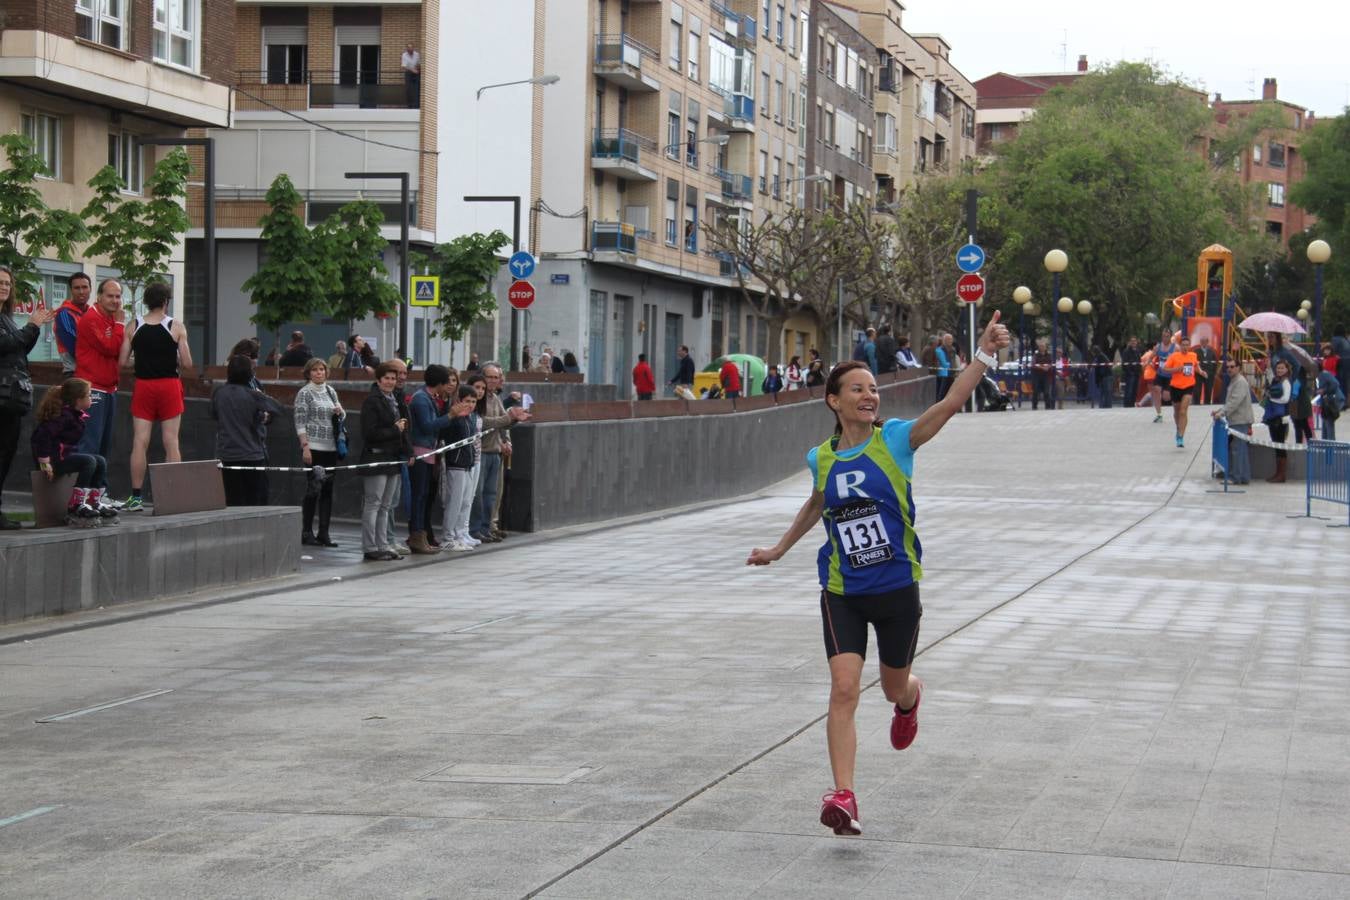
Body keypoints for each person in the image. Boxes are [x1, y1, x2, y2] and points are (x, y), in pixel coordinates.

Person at [746, 311, 1011, 837]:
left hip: (896, 590)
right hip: (842, 591)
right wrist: (778, 549)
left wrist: (982, 354)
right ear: (834, 400)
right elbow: (817, 504)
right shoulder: (821, 457)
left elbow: (951, 403)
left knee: (891, 687)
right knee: (844, 689)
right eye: (858, 389)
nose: (870, 395)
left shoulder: (896, 442)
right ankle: (843, 796)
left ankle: (911, 698)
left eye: (873, 389)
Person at [118, 281, 192, 511]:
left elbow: (122, 362)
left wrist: (142, 360)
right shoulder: (176, 326)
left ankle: (137, 497)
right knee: (171, 441)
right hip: (169, 385)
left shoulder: (133, 326)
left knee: (140, 441)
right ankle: (174, 495)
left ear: (147, 301)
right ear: (166, 302)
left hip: (143, 386)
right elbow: (188, 364)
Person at [0, 266, 57, 528]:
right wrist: (31, 325)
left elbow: (19, 349)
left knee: (6, 454)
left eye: (7, 284)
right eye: (0, 283)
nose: (4, 287)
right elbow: (6, 345)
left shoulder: (7, 318)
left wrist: (33, 328)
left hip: (11, 397)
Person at [72, 278, 125, 510]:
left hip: (109, 388)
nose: (115, 300)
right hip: (92, 389)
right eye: (110, 296)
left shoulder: (110, 318)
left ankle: (97, 496)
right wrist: (122, 326)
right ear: (100, 297)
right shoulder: (91, 318)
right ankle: (79, 498)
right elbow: (110, 347)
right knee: (90, 445)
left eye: (118, 296)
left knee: (103, 447)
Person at [31, 378, 116, 524]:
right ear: (78, 400)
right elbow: (41, 437)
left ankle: (94, 501)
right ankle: (76, 505)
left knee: (100, 460)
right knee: (88, 462)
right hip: (54, 461)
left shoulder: (74, 416)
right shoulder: (62, 417)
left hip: (64, 457)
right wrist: (45, 464)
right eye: (88, 395)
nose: (91, 398)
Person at [211, 355, 286, 506]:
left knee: (232, 499)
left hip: (227, 454)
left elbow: (214, 414)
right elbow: (278, 409)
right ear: (249, 374)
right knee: (254, 499)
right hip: (252, 454)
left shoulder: (219, 393)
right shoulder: (253, 394)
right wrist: (262, 415)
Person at [470, 363, 530, 542]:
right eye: (489, 377)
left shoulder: (495, 398)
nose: (493, 381)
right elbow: (484, 422)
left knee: (491, 494)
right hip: (480, 452)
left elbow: (503, 424)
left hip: (494, 453)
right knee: (478, 495)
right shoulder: (476, 398)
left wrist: (514, 422)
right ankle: (474, 529)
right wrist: (509, 417)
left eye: (496, 377)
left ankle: (486, 528)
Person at [358, 362, 412, 561]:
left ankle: (383, 544)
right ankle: (370, 546)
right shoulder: (372, 401)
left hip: (393, 458)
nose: (391, 382)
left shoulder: (395, 401)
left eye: (393, 378)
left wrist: (408, 451)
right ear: (378, 380)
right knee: (374, 503)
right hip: (376, 457)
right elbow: (369, 433)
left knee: (386, 505)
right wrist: (394, 429)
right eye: (387, 378)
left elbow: (405, 430)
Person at [294, 358, 345, 547]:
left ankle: (324, 532)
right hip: (313, 447)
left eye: (322, 369)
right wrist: (305, 446)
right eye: (314, 370)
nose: (319, 373)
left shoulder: (330, 391)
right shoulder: (304, 393)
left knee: (328, 491)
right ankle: (307, 531)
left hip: (330, 446)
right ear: (308, 373)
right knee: (313, 489)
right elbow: (299, 420)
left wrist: (340, 411)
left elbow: (341, 415)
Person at [407, 365, 457, 554]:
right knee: (419, 495)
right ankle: (416, 535)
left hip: (428, 451)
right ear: (440, 383)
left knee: (424, 495)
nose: (448, 387)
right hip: (421, 452)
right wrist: (450, 416)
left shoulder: (430, 398)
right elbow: (427, 426)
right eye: (447, 383)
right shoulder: (421, 399)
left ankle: (421, 535)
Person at [440, 383, 480, 551]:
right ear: (459, 400)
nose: (470, 404)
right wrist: (456, 417)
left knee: (464, 501)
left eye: (473, 401)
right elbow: (446, 436)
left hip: (467, 464)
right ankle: (447, 537)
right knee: (454, 503)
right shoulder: (455, 417)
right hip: (455, 465)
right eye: (467, 401)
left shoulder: (469, 418)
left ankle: (459, 534)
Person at [1213, 360, 1254, 484]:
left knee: (1237, 449)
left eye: (1232, 367)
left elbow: (1234, 402)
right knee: (1240, 449)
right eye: (1228, 367)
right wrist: (1219, 411)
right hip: (1236, 420)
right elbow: (1230, 402)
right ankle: (1244, 477)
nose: (1229, 369)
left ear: (1238, 368)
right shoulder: (1234, 381)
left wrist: (1221, 413)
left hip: (1240, 420)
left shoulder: (1240, 382)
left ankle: (1236, 477)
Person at [1162, 334, 1203, 448]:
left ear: (1190, 346)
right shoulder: (1174, 356)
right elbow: (1164, 368)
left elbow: (1196, 366)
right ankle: (1178, 428)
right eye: (1183, 345)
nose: (1185, 347)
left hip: (1188, 386)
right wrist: (1176, 369)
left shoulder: (1193, 355)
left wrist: (1201, 372)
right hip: (1175, 386)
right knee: (1177, 411)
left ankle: (1180, 436)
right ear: (1180, 346)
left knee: (1183, 411)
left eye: (1187, 345)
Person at [53, 272, 92, 377]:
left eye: (84, 287)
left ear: (90, 289)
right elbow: (75, 345)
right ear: (71, 290)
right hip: (75, 373)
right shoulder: (64, 314)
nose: (81, 291)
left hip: (94, 372)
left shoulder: (92, 313)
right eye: (77, 288)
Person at [1263, 358, 1293, 483]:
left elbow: (1286, 399)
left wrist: (1271, 399)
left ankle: (1281, 474)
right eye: (1278, 368)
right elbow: (1269, 377)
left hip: (1280, 418)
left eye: (1282, 368)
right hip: (1272, 416)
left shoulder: (1286, 382)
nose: (1279, 370)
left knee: (1280, 445)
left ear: (1287, 370)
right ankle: (1278, 473)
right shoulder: (1276, 380)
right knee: (1276, 444)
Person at [1142, 329, 1174, 423]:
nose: (1165, 338)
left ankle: (1177, 401)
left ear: (1170, 337)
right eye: (1163, 336)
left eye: (1167, 336)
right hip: (1160, 373)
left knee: (1166, 397)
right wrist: (1147, 363)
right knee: (1156, 391)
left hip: (1170, 374)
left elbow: (1181, 358)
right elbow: (1151, 357)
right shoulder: (1158, 347)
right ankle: (1159, 415)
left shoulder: (1175, 348)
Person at [1315, 365, 1344, 441]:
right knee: (1325, 424)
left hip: (1331, 402)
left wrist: (1324, 390)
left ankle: (1330, 446)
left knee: (1329, 424)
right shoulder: (1318, 376)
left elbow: (1336, 384)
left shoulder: (1324, 374)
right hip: (1326, 403)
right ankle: (1325, 443)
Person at [1120, 337, 1142, 409]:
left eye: (1135, 341)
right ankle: (1127, 405)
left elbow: (1139, 362)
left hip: (1136, 374)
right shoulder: (1126, 351)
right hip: (1130, 374)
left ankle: (1132, 404)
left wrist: (1139, 371)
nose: (1133, 342)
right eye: (1132, 341)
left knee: (1134, 390)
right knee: (1128, 390)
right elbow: (1124, 363)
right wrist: (1129, 372)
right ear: (1129, 342)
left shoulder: (1137, 351)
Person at [1196, 336, 1219, 404]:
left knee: (1208, 391)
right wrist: (1199, 371)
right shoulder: (1196, 351)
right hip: (1198, 374)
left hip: (1209, 374)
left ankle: (1207, 404)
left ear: (1207, 342)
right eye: (1202, 341)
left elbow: (1215, 363)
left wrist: (1213, 373)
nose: (1203, 343)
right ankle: (1196, 404)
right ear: (1200, 342)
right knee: (1197, 391)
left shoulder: (1212, 352)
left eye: (1205, 341)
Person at [1332, 324, 1350, 405]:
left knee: (1339, 382)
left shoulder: (1335, 339)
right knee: (1346, 382)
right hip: (1348, 362)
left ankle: (1340, 401)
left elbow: (1332, 350)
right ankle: (1345, 401)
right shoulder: (1346, 340)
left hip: (1339, 363)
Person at [934, 334, 954, 402]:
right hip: (943, 373)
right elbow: (943, 363)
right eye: (948, 339)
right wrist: (950, 365)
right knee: (941, 392)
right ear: (944, 341)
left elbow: (953, 360)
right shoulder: (939, 350)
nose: (950, 341)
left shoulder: (952, 349)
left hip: (950, 373)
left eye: (951, 339)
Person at [401, 43, 421, 108]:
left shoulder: (417, 54)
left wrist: (417, 68)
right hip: (408, 73)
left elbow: (419, 64)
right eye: (409, 48)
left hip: (416, 73)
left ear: (413, 48)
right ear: (407, 49)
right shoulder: (404, 55)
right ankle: (409, 105)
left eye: (411, 48)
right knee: (408, 89)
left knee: (417, 88)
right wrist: (412, 70)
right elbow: (404, 66)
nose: (410, 49)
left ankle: (417, 105)